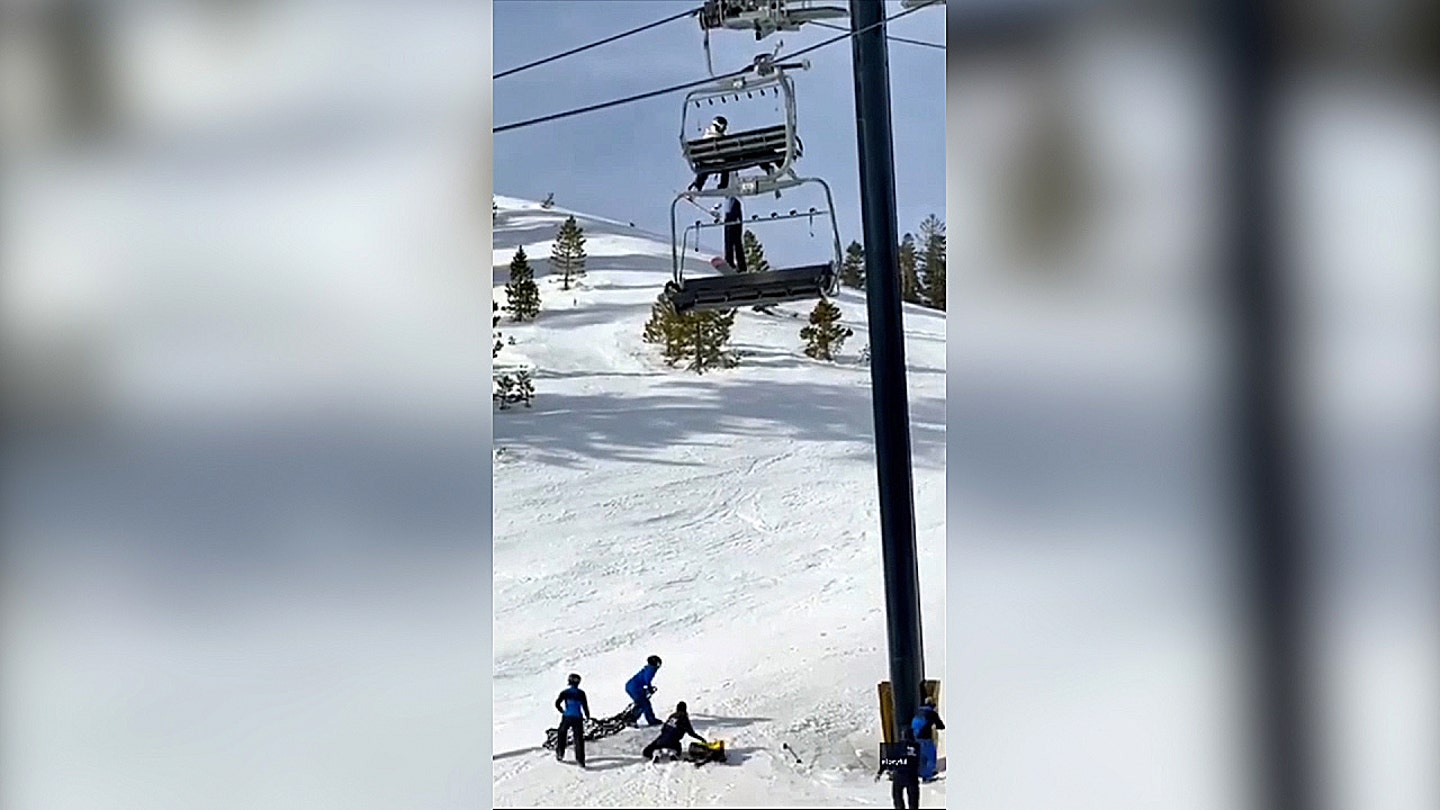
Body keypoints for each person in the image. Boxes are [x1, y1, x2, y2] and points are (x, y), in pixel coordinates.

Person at [642, 701, 707, 761]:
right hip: (672, 742)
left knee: (647, 751)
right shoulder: (684, 717)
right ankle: (672, 752)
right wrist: (701, 739)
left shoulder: (672, 716)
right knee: (678, 749)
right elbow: (691, 733)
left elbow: (663, 729)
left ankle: (658, 751)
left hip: (661, 740)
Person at [875, 728, 922, 809]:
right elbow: (922, 761)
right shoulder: (917, 747)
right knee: (913, 800)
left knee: (897, 797)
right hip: (912, 776)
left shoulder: (897, 747)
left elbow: (887, 760)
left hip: (899, 776)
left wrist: (880, 772)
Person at [554, 673, 591, 767]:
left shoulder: (565, 692)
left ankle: (560, 753)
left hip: (567, 716)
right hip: (578, 717)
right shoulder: (581, 693)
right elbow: (585, 706)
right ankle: (580, 760)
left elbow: (557, 703)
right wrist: (587, 716)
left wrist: (562, 711)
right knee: (578, 739)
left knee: (562, 733)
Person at [687, 116, 731, 193]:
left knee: (704, 170)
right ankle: (723, 185)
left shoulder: (706, 136)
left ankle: (697, 186)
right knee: (726, 167)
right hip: (721, 163)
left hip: (706, 162)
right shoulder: (722, 138)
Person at [911, 696, 944, 781]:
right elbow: (940, 726)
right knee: (930, 757)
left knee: (921, 757)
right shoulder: (931, 713)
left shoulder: (918, 711)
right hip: (925, 738)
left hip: (915, 737)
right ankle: (927, 776)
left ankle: (920, 773)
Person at [625, 655, 663, 726]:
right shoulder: (651, 669)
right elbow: (646, 680)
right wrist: (649, 688)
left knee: (642, 703)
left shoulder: (648, 668)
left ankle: (633, 718)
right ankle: (649, 720)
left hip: (633, 687)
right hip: (635, 688)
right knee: (644, 704)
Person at [722, 195, 747, 274]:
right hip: (729, 216)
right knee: (730, 242)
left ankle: (738, 264)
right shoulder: (728, 200)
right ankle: (731, 262)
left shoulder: (735, 201)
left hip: (733, 217)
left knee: (735, 242)